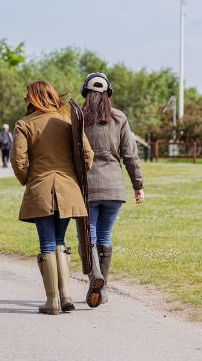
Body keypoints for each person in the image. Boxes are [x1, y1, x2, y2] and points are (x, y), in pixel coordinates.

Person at [10, 80, 94, 315]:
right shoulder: (67, 120)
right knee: (59, 241)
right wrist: (76, 175)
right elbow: (88, 154)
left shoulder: (24, 124)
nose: (26, 100)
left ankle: (52, 300)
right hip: (68, 189)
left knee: (47, 243)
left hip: (41, 189)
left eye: (27, 96)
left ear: (34, 98)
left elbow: (18, 160)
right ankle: (66, 295)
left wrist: (28, 178)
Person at [81, 72, 145, 306]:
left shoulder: (77, 117)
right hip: (114, 188)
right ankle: (103, 288)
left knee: (90, 235)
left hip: (87, 187)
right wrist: (138, 185)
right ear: (109, 93)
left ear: (84, 93)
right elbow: (130, 155)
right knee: (104, 236)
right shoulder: (119, 118)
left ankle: (94, 277)